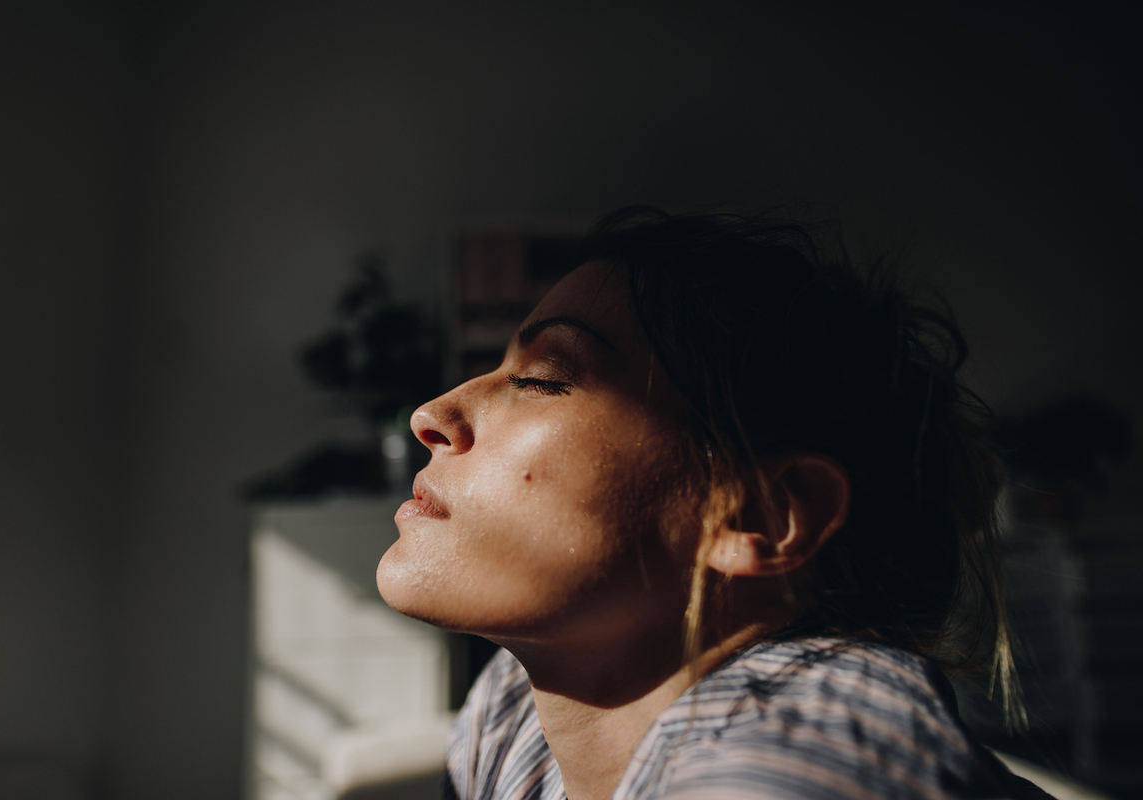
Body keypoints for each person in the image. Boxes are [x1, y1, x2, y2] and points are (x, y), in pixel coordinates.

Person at [377, 207, 1051, 800]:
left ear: (758, 515)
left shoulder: (805, 756)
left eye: (541, 378)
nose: (430, 415)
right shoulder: (515, 708)